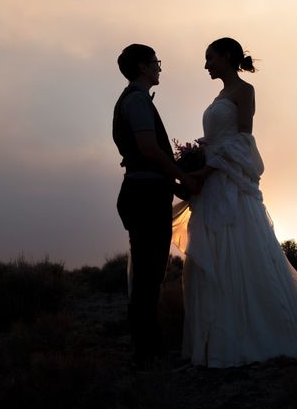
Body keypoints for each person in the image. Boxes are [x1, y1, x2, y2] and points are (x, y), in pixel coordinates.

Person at [172, 37, 297, 369]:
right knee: (214, 254)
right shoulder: (219, 96)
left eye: (209, 58)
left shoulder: (244, 91)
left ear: (226, 57)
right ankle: (218, 340)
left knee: (239, 251)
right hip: (211, 182)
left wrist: (207, 167)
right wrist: (193, 160)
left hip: (228, 182)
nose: (206, 65)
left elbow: (242, 140)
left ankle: (256, 336)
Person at [113, 43, 199, 369]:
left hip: (147, 191)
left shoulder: (134, 100)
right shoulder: (136, 101)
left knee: (150, 275)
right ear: (142, 67)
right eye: (155, 63)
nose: (159, 68)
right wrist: (184, 179)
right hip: (145, 196)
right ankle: (147, 352)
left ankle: (148, 348)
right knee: (149, 276)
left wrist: (176, 184)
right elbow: (149, 150)